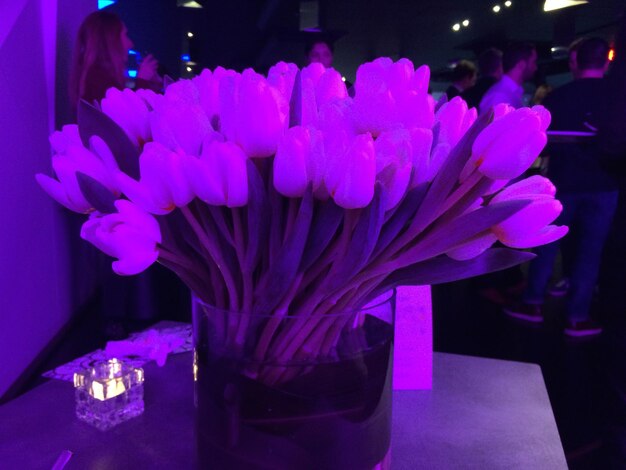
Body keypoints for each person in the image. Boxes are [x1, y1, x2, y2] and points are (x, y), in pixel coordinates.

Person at [504, 37, 617, 337]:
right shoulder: (618, 98)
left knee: (547, 243)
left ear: (573, 62)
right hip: (605, 186)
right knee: (591, 252)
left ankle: (532, 303)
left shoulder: (557, 99)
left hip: (563, 184)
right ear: (607, 61)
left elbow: (542, 145)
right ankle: (578, 317)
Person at [69, 10, 160, 112]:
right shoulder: (98, 79)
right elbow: (127, 119)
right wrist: (143, 81)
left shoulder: (95, 76)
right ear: (111, 41)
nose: (130, 44)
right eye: (125, 35)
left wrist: (152, 84)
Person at [479, 42, 537, 114]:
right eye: (533, 62)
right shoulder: (499, 96)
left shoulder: (510, 92)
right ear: (521, 64)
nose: (535, 67)